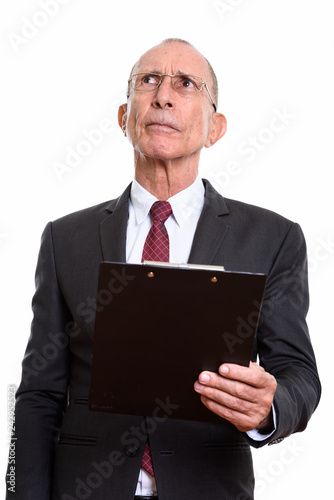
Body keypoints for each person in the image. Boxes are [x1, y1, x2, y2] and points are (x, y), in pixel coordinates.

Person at [6, 38, 321, 500]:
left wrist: (270, 408)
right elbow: (37, 394)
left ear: (215, 128)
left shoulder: (273, 238)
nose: (163, 95)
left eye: (187, 84)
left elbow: (298, 373)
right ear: (124, 117)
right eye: (147, 80)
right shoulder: (64, 238)